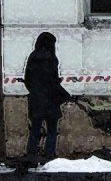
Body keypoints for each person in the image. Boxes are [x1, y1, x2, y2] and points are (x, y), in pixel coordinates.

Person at [22, 32, 73, 161]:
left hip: (36, 100)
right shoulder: (52, 59)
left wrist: (35, 90)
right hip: (50, 100)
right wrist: (65, 95)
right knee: (52, 130)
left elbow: (27, 79)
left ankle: (31, 153)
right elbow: (53, 81)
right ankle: (49, 155)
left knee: (35, 129)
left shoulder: (33, 57)